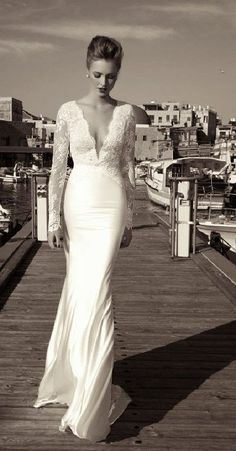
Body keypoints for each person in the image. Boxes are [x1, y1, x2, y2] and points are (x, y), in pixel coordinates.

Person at [33, 35, 150, 443]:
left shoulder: (126, 115)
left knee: (98, 289)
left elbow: (129, 166)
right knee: (81, 290)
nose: (104, 83)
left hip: (111, 206)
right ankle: (78, 381)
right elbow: (57, 170)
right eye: (99, 74)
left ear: (119, 74)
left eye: (112, 76)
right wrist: (52, 221)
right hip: (78, 207)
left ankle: (93, 397)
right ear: (87, 69)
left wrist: (131, 219)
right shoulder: (67, 111)